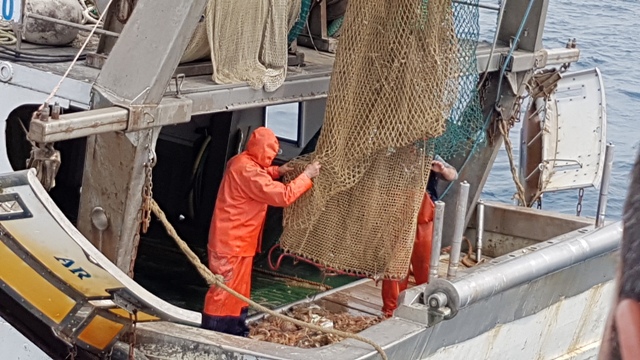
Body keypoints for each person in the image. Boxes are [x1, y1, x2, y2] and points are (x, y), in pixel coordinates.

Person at [201, 127, 321, 336]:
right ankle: (213, 331)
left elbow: (259, 172)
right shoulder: (250, 173)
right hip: (232, 242)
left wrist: (278, 171)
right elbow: (283, 196)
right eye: (271, 154)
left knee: (238, 291)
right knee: (224, 290)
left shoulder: (240, 161)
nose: (272, 157)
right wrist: (307, 176)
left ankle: (235, 328)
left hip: (239, 241)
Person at [381, 155, 458, 317]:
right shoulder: (391, 154)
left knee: (425, 264)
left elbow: (453, 175)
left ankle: (426, 304)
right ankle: (391, 311)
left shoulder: (431, 155)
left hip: (424, 218)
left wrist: (442, 170)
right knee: (395, 266)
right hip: (396, 217)